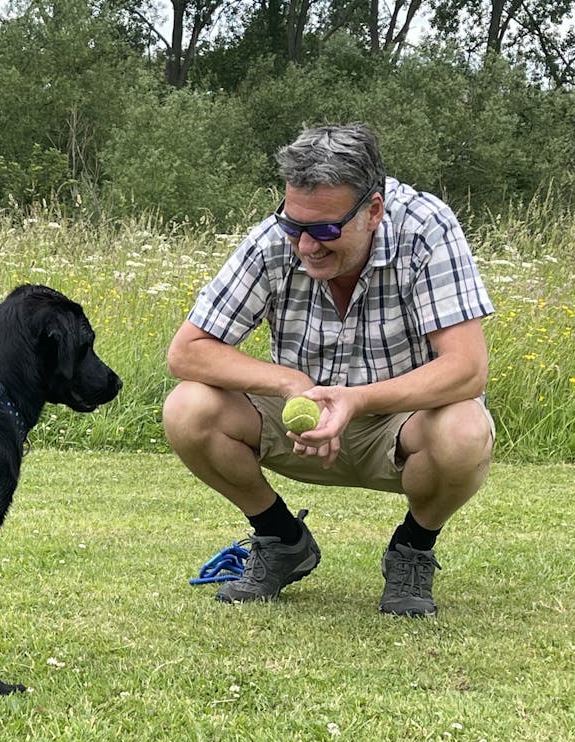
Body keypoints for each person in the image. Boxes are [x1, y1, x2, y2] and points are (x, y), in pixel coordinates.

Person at [162, 123, 494, 616]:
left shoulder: (427, 229)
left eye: (324, 231)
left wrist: (358, 399)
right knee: (188, 408)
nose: (306, 246)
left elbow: (468, 370)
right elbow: (186, 352)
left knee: (466, 431)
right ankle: (280, 540)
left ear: (374, 211)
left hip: (402, 427)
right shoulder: (276, 238)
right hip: (302, 418)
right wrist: (289, 382)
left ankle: (413, 550)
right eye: (295, 226)